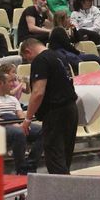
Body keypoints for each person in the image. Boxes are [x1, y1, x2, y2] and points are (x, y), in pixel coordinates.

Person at [20, 37, 78, 175]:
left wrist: (28, 119)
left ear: (28, 51)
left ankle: (60, 188)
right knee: (65, 156)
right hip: (71, 109)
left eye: (27, 59)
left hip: (55, 113)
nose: (29, 61)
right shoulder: (59, 56)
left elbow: (38, 92)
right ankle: (68, 186)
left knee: (55, 158)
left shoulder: (40, 60)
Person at [0, 70, 42, 175]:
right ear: (1, 83)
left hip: (16, 121)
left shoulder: (12, 99)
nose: (13, 84)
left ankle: (31, 165)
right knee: (18, 133)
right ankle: (21, 169)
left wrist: (22, 124)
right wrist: (12, 124)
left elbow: (20, 115)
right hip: (1, 125)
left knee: (43, 131)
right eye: (10, 81)